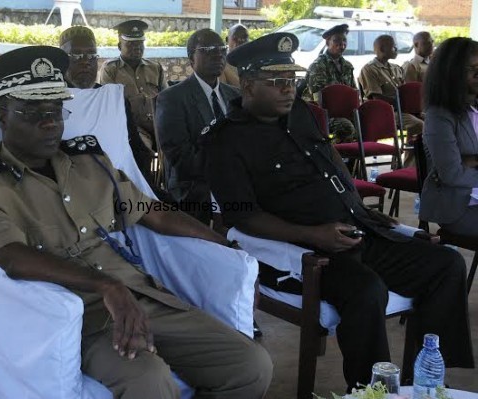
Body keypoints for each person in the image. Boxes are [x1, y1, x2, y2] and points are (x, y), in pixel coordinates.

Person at [0, 45, 273, 399]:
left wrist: (227, 249)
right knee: (150, 380)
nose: (49, 121)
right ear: (2, 118)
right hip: (75, 318)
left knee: (251, 365)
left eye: (55, 109)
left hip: (141, 295)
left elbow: (154, 213)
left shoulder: (90, 161)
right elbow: (11, 256)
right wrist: (106, 287)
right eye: (31, 112)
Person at [204, 32, 474, 392]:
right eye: (278, 82)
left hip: (355, 231)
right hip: (300, 254)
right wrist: (313, 236)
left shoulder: (299, 114)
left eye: (292, 80)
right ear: (249, 86)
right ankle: (369, 390)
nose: (289, 89)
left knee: (445, 263)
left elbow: (333, 163)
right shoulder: (225, 140)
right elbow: (243, 217)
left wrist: (361, 209)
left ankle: (418, 381)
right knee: (368, 291)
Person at [155, 28, 240, 224]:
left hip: (235, 182)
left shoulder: (235, 96)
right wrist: (227, 174)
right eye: (208, 49)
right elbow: (181, 158)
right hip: (194, 186)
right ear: (191, 58)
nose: (218, 54)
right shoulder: (172, 98)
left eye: (222, 49)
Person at [59, 25, 158, 190]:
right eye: (76, 55)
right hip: (72, 189)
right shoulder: (50, 101)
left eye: (91, 55)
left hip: (119, 186)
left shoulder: (113, 99)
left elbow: (136, 149)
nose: (85, 62)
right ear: (62, 59)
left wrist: (148, 189)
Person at [420, 37, 478, 236]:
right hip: (459, 207)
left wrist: (470, 161)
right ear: (450, 74)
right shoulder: (439, 116)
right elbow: (452, 174)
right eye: (472, 69)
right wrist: (463, 163)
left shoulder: (474, 108)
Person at [100, 20, 167, 152]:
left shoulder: (155, 67)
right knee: (142, 150)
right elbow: (110, 104)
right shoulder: (110, 69)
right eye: (130, 44)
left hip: (159, 124)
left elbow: (166, 99)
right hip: (132, 127)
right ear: (120, 46)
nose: (137, 47)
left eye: (140, 43)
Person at [359, 35, 424, 142]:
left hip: (403, 110)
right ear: (382, 49)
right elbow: (377, 98)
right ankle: (412, 153)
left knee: (434, 121)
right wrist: (401, 103)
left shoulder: (396, 68)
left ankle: (418, 154)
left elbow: (405, 91)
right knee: (419, 124)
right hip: (384, 112)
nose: (397, 49)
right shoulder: (369, 69)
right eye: (394, 47)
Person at [304, 23, 357, 143]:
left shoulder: (347, 66)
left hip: (344, 112)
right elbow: (319, 99)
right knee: (346, 126)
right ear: (328, 42)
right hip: (320, 114)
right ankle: (330, 155)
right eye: (337, 40)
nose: (342, 44)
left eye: (344, 40)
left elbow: (354, 92)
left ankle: (348, 159)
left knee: (364, 123)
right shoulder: (318, 66)